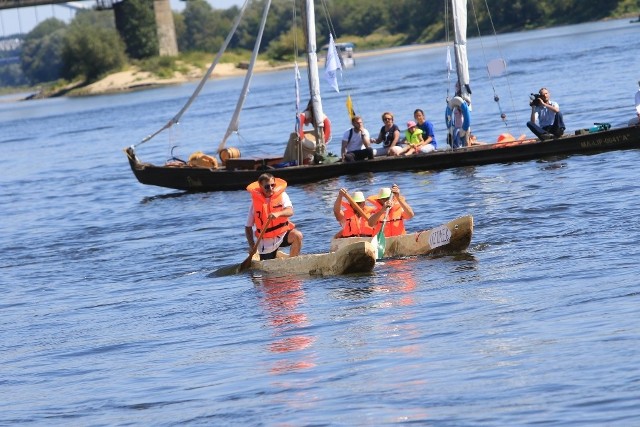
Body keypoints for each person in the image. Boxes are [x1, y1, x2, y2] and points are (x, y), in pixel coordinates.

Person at [245, 173, 303, 260]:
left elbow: (290, 211)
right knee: (268, 272)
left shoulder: (282, 195)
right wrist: (252, 246)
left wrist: (278, 214)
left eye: (273, 185)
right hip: (266, 243)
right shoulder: (255, 203)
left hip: (282, 234)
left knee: (297, 235)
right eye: (267, 186)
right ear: (261, 186)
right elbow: (248, 227)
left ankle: (292, 261)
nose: (271, 188)